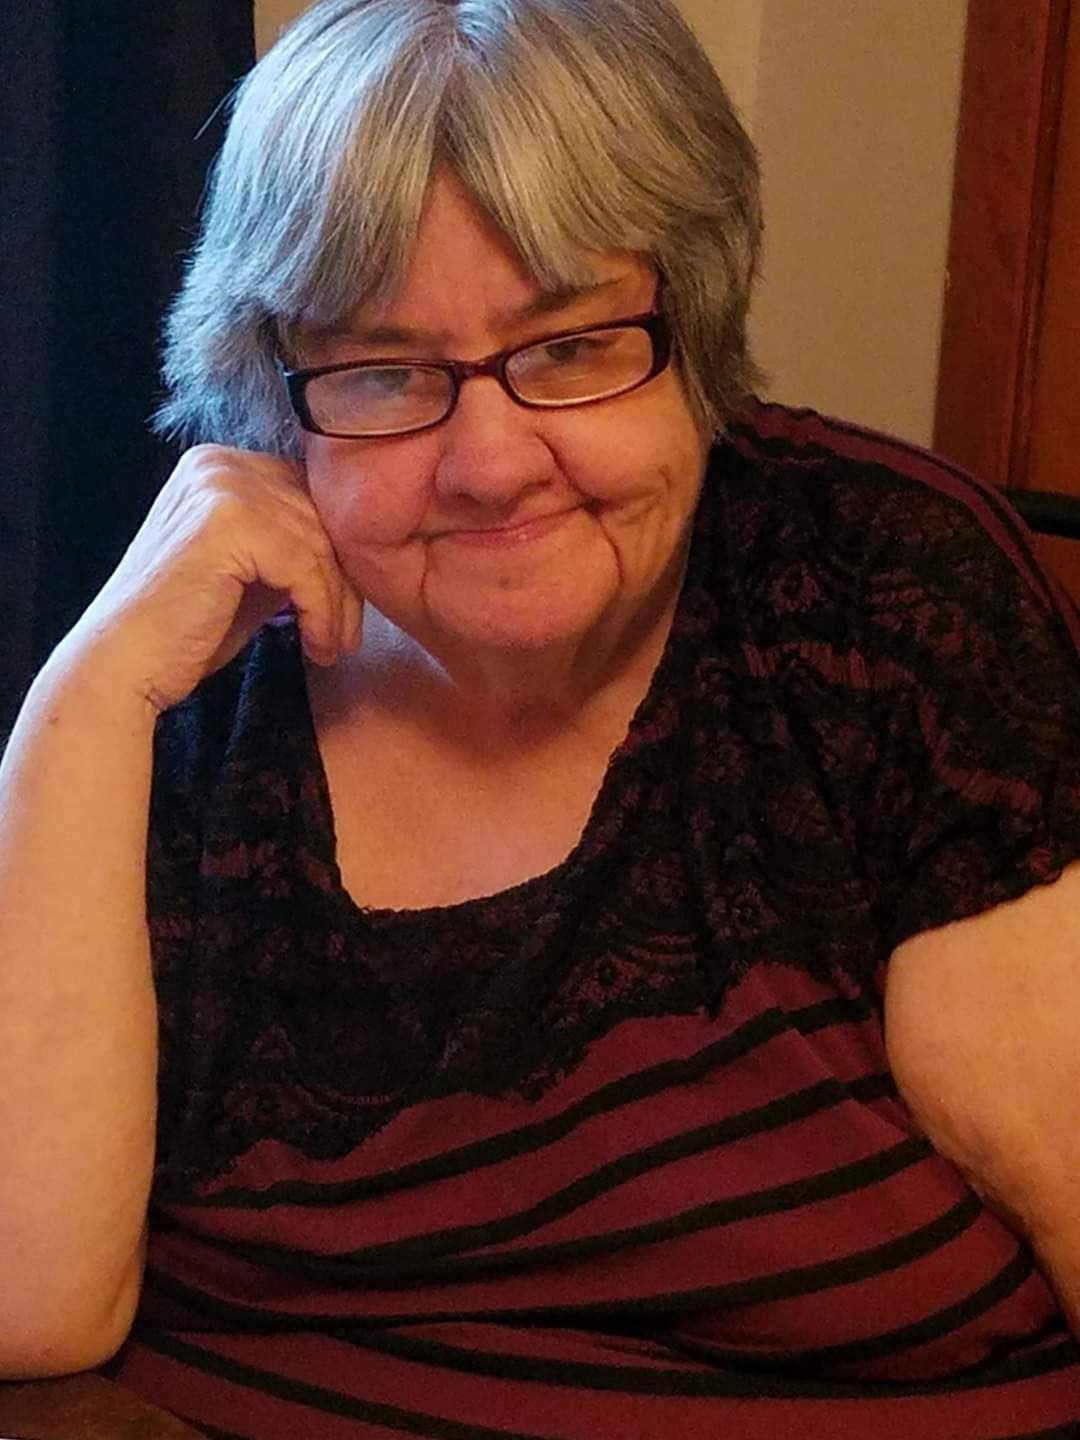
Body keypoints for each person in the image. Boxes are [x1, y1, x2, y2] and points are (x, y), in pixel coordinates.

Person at [2, 0, 1080, 1434]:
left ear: (694, 327)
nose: (491, 465)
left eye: (570, 345)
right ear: (273, 399)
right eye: (385, 368)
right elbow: (31, 1304)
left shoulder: (875, 597)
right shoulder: (184, 703)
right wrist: (81, 701)